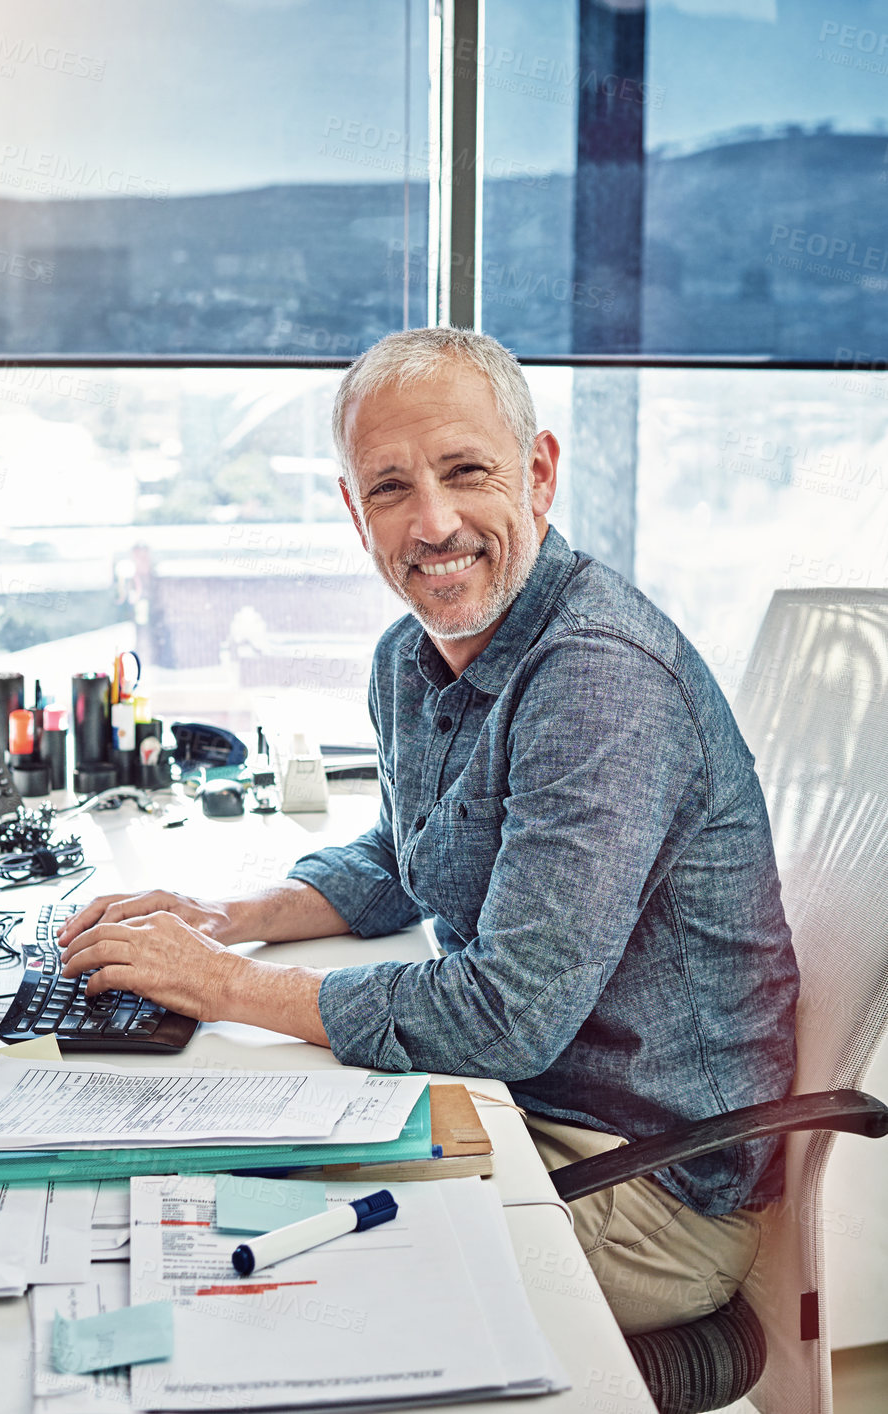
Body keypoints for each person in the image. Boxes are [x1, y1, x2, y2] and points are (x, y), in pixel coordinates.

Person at [57, 327, 799, 1335]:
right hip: (509, 1108)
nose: (433, 521)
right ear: (352, 510)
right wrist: (223, 918)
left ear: (536, 475)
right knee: (186, 1184)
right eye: (392, 487)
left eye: (464, 471)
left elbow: (506, 1012)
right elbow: (406, 853)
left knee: (225, 1274)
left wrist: (222, 986)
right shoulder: (411, 658)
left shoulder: (597, 679)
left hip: (637, 1183)